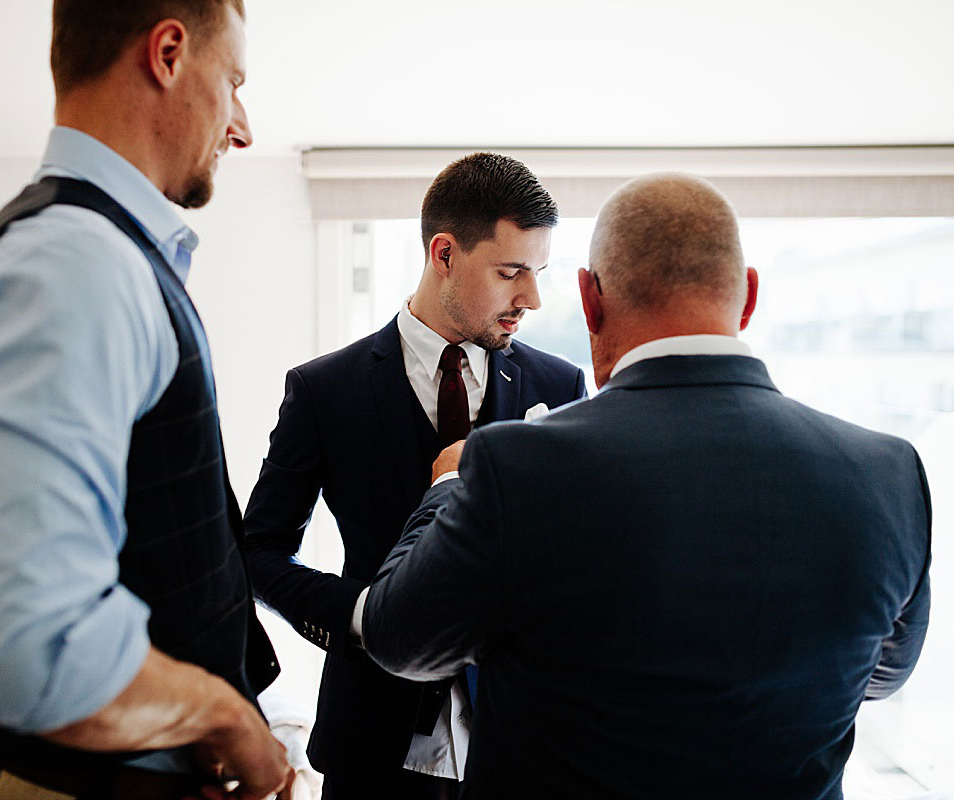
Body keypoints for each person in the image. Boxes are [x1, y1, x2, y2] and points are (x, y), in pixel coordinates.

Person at [362, 173, 933, 799]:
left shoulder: (515, 467)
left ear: (589, 299)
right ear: (747, 298)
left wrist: (447, 486)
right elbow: (881, 673)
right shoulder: (890, 474)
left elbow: (400, 639)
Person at [0, 1, 292, 798]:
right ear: (168, 53)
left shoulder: (110, 257)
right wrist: (226, 717)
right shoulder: (75, 262)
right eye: (232, 82)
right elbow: (33, 648)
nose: (241, 126)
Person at [244, 153, 587, 798]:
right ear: (444, 254)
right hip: (370, 740)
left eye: (538, 273)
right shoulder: (325, 390)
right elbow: (257, 552)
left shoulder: (558, 385)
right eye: (511, 272)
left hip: (518, 745)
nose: (531, 300)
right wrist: (362, 618)